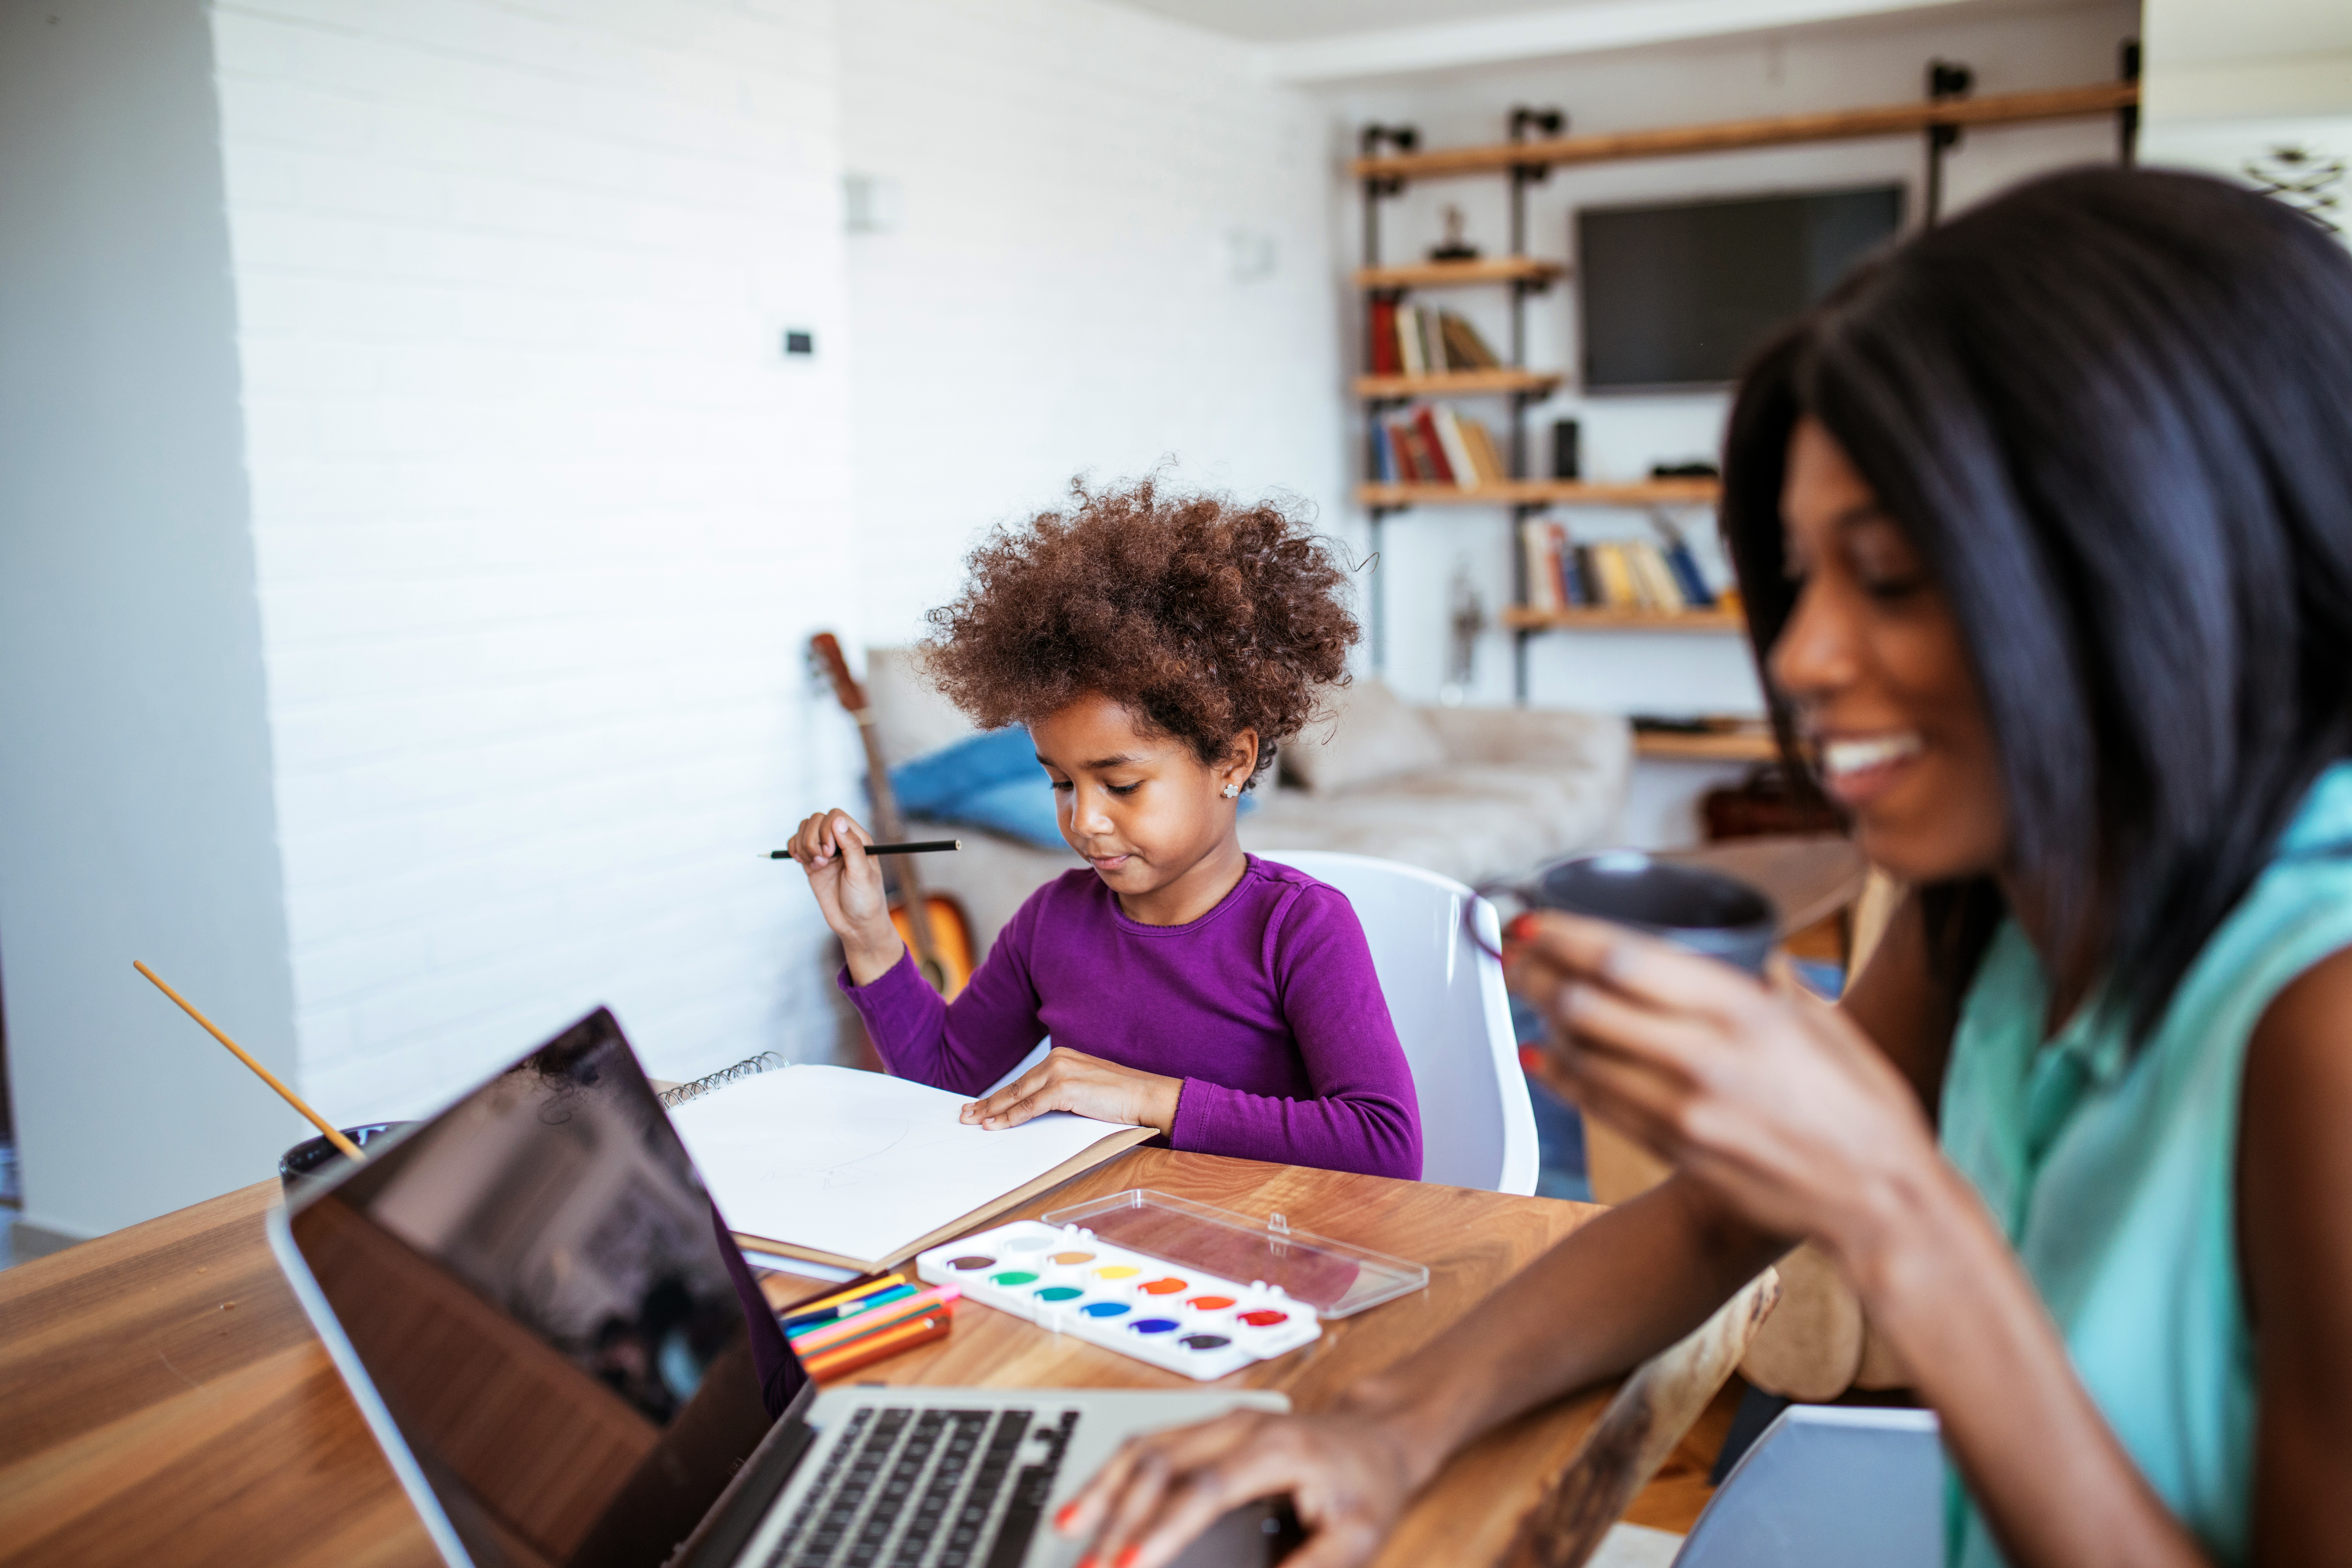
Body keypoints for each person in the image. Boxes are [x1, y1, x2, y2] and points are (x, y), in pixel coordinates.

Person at [1056, 168, 2352, 1568]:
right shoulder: (2001, 904)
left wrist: (1897, 1209)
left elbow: (1867, 1205)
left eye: (1895, 579)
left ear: (2167, 560)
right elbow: (1731, 1210)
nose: (1799, 658)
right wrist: (1383, 1425)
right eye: (1803, 578)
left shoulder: (2322, 1021)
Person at [786, 479, 1421, 1181]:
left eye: (1121, 785)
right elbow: (944, 1080)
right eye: (1060, 781)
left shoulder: (1300, 926)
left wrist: (1148, 1099)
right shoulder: (1052, 922)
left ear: (1232, 763)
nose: (1084, 820)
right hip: (1104, 1244)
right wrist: (869, 934)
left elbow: (1384, 1143)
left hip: (1268, 1250)